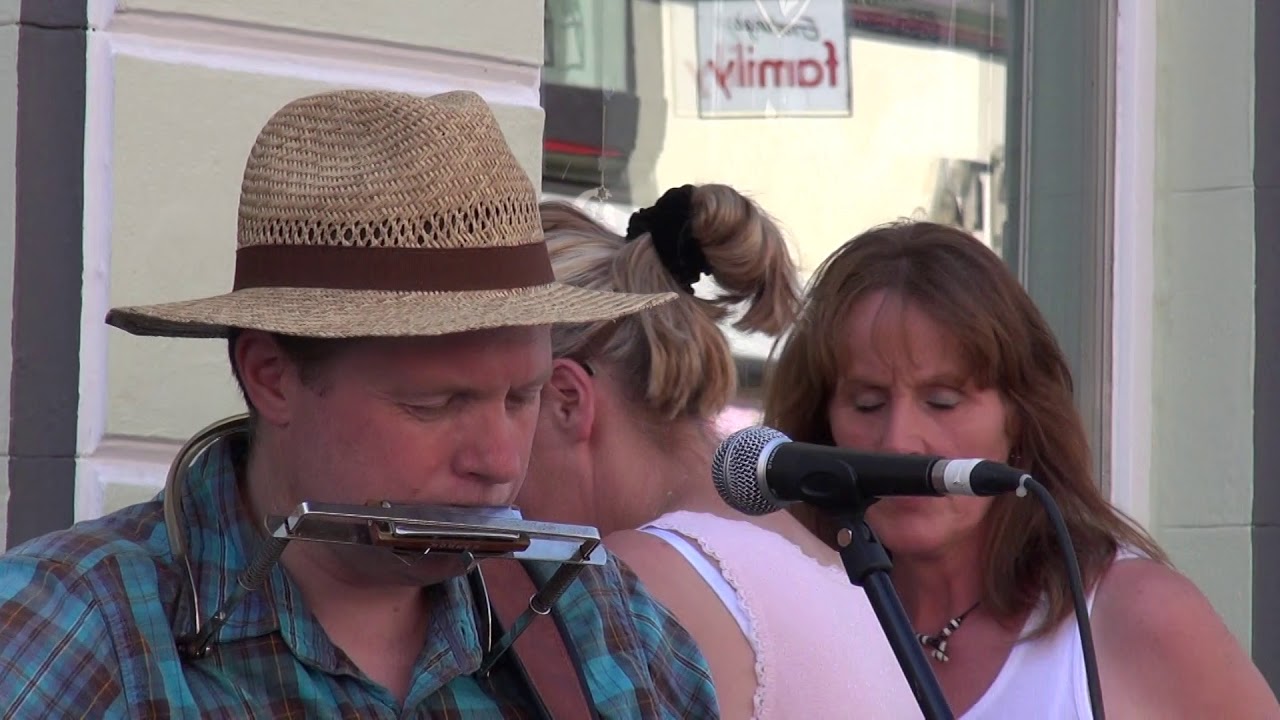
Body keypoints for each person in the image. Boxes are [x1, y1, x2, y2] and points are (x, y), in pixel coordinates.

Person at [0, 89, 720, 718]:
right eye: (434, 404)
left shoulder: (604, 627)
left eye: (521, 396)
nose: (500, 463)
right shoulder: (76, 630)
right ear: (271, 376)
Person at [762, 219, 1280, 718]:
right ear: (821, 426)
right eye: (868, 404)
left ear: (1020, 421)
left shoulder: (1133, 615)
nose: (898, 442)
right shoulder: (781, 625)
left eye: (942, 402)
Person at [517, 189, 923, 718]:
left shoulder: (630, 586)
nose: (490, 459)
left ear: (568, 400)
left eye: (511, 401)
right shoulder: (830, 569)